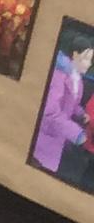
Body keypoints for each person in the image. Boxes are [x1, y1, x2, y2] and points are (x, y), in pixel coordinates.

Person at [33, 39, 92, 176]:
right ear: (75, 54)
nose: (89, 64)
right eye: (86, 59)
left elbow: (72, 104)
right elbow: (49, 112)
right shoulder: (58, 75)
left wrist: (81, 113)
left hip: (58, 137)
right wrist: (76, 133)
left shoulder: (77, 79)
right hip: (45, 137)